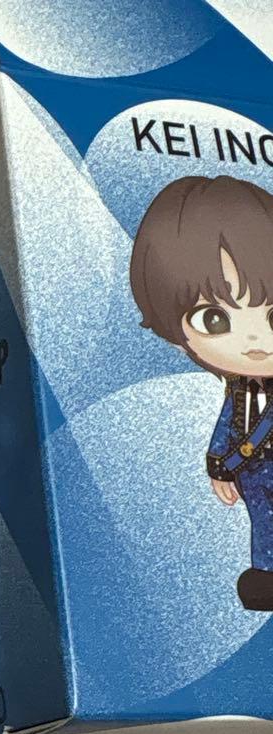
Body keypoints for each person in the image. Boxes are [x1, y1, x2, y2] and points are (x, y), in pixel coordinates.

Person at [131, 175, 273, 610]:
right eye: (214, 319)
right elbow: (229, 422)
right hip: (252, 473)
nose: (255, 342)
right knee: (263, 522)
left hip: (256, 461)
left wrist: (230, 462)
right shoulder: (237, 388)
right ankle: (267, 573)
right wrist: (219, 466)